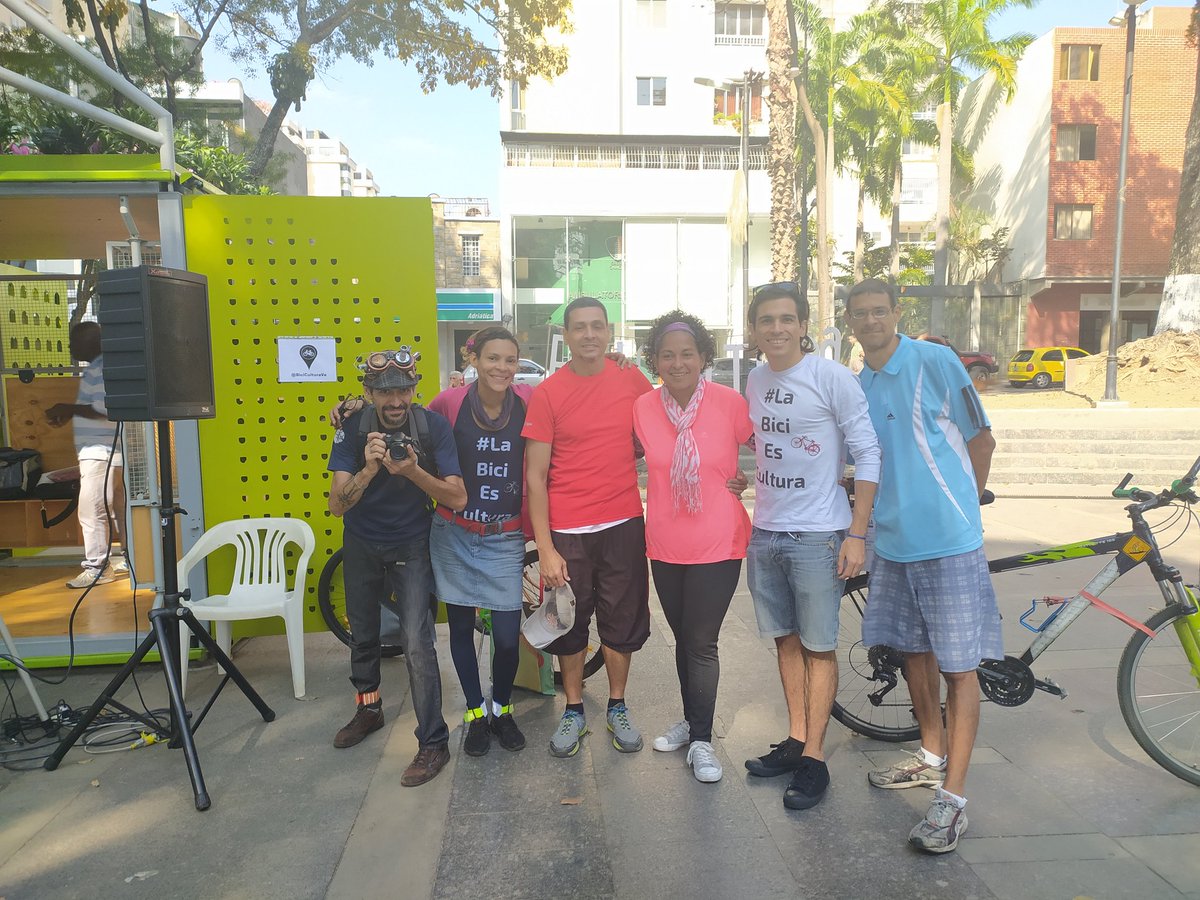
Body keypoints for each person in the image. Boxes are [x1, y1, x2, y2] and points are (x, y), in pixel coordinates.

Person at [847, 277, 999, 854]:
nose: (870, 321)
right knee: (915, 653)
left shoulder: (935, 361)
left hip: (948, 541)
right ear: (850, 322)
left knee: (961, 668)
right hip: (892, 544)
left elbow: (980, 439)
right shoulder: (859, 383)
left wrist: (968, 509)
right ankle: (930, 757)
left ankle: (953, 800)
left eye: (879, 311)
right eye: (859, 314)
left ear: (896, 313)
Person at [742, 282, 881, 811]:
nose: (776, 328)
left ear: (803, 325)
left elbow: (868, 454)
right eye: (766, 320)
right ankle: (797, 737)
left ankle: (815, 758)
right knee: (785, 641)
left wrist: (856, 532)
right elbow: (767, 449)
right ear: (754, 330)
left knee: (819, 646)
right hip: (768, 531)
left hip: (820, 534)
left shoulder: (832, 377)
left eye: (786, 319)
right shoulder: (755, 380)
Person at [326, 346, 466, 788]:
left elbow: (457, 497)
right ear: (367, 392)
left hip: (411, 541)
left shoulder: (432, 427)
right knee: (363, 634)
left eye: (403, 389)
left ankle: (433, 741)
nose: (395, 401)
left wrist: (410, 471)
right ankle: (369, 707)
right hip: (362, 542)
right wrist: (369, 470)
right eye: (384, 392)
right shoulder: (352, 427)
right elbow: (336, 505)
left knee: (416, 641)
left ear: (414, 388)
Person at [523, 296, 654, 758]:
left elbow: (670, 426)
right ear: (566, 334)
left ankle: (617, 705)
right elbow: (535, 478)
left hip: (622, 523)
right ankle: (574, 710)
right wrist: (546, 547)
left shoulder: (632, 380)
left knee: (622, 622)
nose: (589, 335)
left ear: (609, 331)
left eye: (597, 326)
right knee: (569, 625)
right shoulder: (548, 392)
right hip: (567, 531)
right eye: (579, 327)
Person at [632, 310, 752, 783]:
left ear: (704, 356)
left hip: (718, 540)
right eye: (667, 355)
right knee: (683, 638)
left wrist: (747, 480)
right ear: (655, 360)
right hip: (664, 541)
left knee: (701, 642)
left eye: (687, 354)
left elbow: (771, 446)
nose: (678, 363)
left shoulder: (729, 402)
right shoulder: (642, 408)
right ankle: (691, 719)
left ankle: (702, 740)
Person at [426, 327, 532, 757]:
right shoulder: (449, 404)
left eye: (510, 360)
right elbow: (408, 424)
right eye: (492, 358)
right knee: (461, 629)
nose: (501, 368)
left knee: (508, 637)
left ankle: (502, 707)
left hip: (504, 536)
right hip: (453, 534)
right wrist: (352, 407)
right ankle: (474, 713)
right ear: (474, 360)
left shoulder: (529, 403)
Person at [45, 322, 127, 588]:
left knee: (92, 511)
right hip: (105, 454)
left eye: (73, 341)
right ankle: (130, 558)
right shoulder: (100, 367)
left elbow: (104, 408)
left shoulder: (101, 368)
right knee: (117, 511)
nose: (70, 347)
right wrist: (70, 412)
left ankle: (98, 568)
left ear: (91, 342)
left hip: (100, 454)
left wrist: (68, 408)